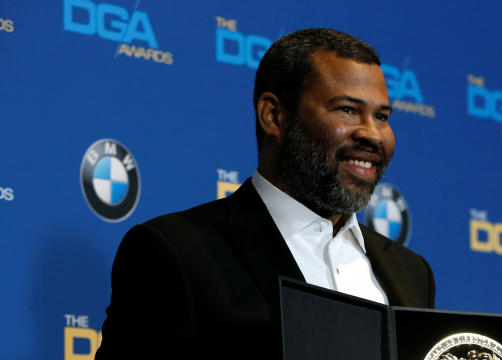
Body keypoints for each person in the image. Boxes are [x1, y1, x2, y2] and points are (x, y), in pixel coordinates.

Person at [95, 28, 435, 360]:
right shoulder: (176, 252)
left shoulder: (412, 272)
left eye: (381, 116)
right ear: (273, 115)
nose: (373, 134)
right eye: (347, 109)